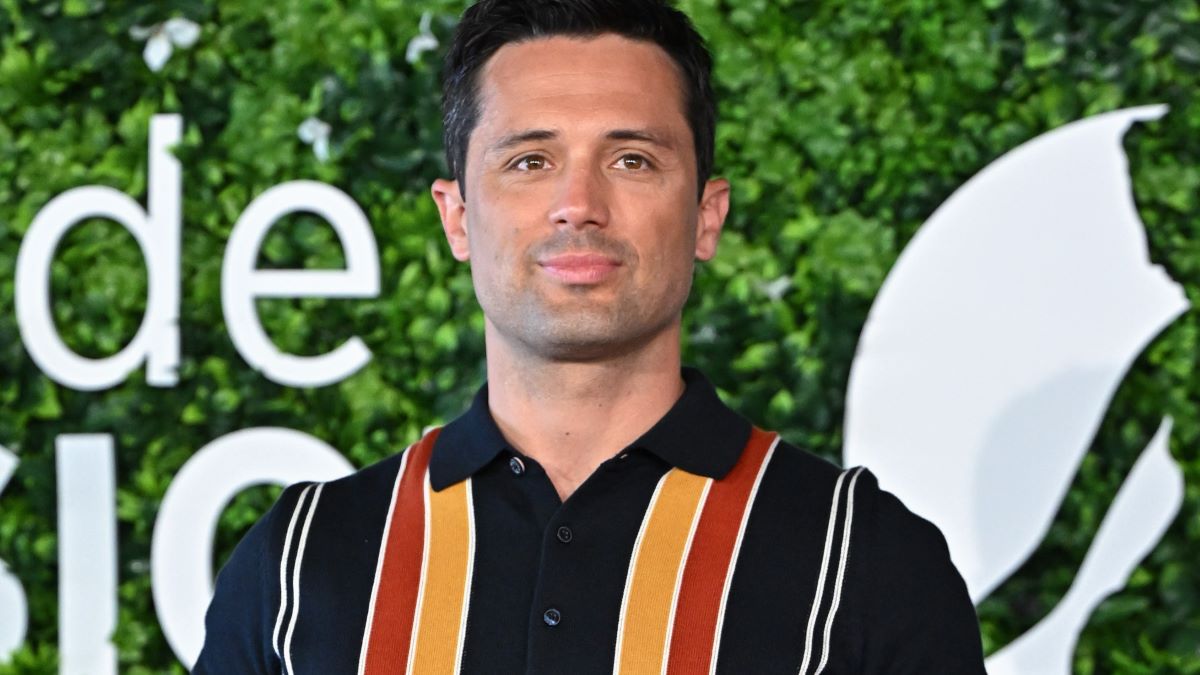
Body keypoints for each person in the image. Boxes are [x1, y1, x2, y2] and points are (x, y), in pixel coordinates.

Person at [193, 0, 987, 672]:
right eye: (531, 160)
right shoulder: (300, 562)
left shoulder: (865, 561)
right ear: (457, 216)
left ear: (707, 217)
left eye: (633, 159)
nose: (579, 202)